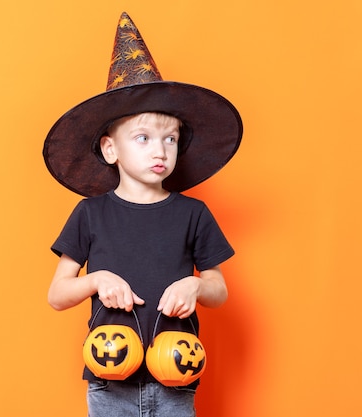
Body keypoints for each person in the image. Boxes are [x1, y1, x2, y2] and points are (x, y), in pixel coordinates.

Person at [43, 12, 242, 417]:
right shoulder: (90, 214)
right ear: (110, 149)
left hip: (176, 379)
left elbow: (219, 292)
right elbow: (57, 295)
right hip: (109, 378)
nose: (160, 150)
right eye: (143, 138)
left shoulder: (194, 214)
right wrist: (96, 279)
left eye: (170, 139)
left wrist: (195, 286)